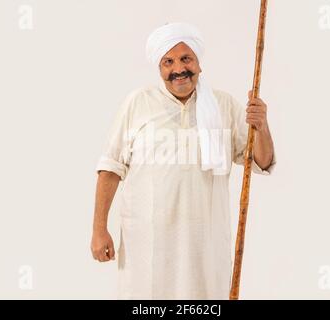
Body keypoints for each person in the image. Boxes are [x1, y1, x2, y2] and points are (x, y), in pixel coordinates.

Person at [91, 22, 276, 299]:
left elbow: (261, 160)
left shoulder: (223, 105)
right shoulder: (138, 103)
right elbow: (110, 168)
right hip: (148, 246)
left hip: (205, 247)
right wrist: (99, 229)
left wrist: (261, 126)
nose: (178, 68)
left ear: (199, 63)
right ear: (159, 67)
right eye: (168, 61)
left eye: (186, 58)